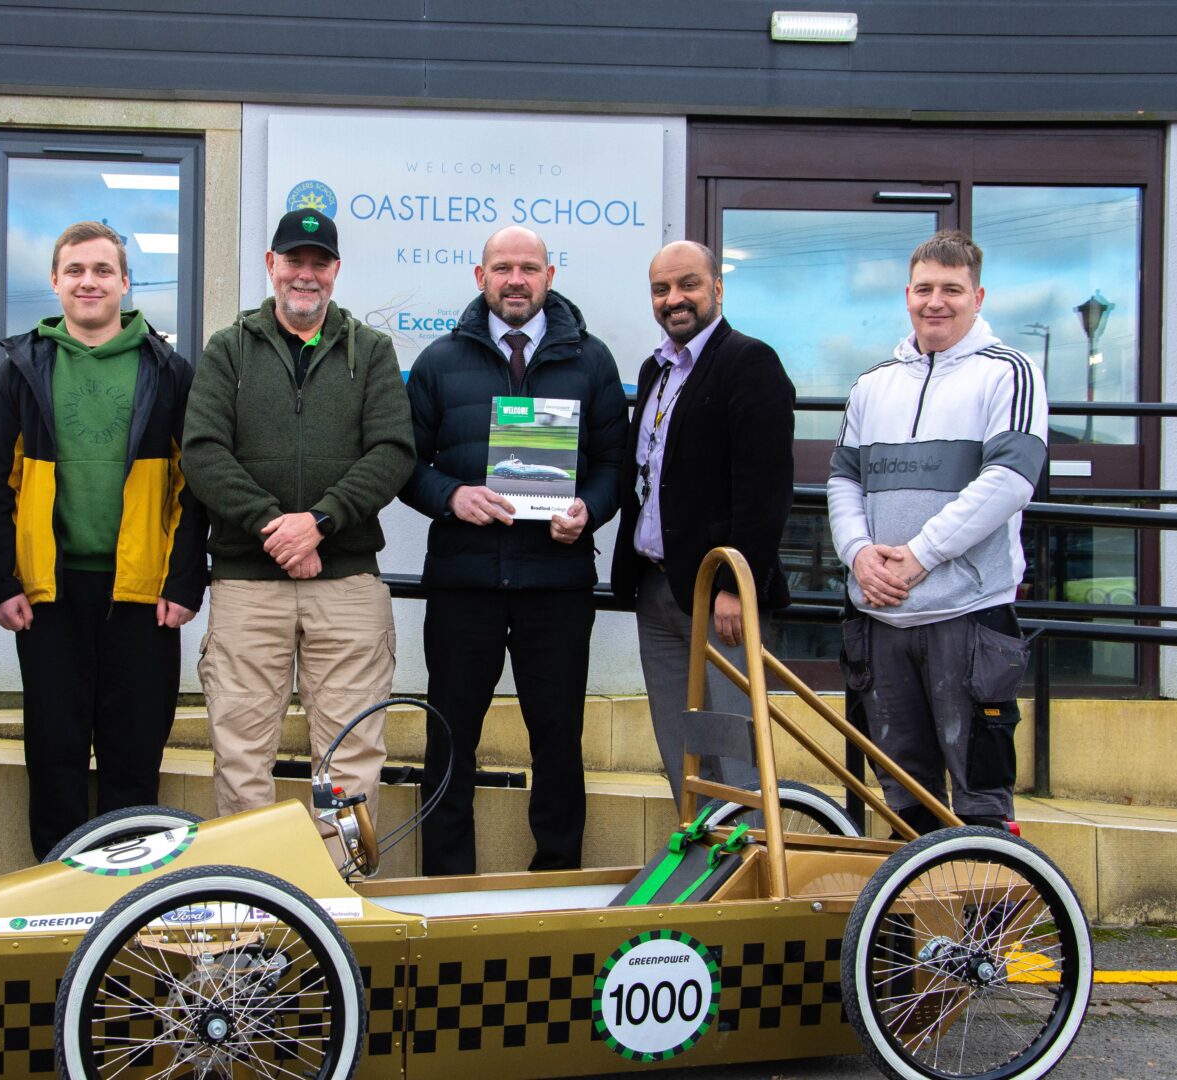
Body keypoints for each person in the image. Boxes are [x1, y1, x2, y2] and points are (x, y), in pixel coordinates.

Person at [182, 209, 413, 850]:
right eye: (294, 261)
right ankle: (248, 911)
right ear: (271, 266)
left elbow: (393, 451)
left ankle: (341, 905)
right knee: (240, 757)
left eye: (318, 262)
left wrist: (319, 523)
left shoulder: (370, 351)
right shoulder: (228, 349)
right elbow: (202, 452)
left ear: (335, 271)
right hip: (247, 587)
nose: (305, 275)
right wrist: (274, 530)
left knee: (351, 759)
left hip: (346, 586)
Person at [0, 221, 207, 860]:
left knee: (135, 760)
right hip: (47, 594)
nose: (88, 281)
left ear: (126, 283)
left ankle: (131, 910)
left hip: (142, 594)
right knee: (54, 754)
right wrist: (2, 581)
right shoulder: (22, 369)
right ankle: (58, 901)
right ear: (54, 281)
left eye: (102, 270)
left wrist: (185, 581)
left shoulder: (168, 369)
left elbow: (196, 484)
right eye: (75, 270)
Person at [402, 225, 626, 876]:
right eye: (503, 267)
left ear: (550, 277)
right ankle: (446, 888)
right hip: (463, 584)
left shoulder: (592, 361)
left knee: (558, 745)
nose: (516, 279)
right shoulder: (441, 362)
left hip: (556, 585)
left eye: (529, 267)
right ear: (480, 278)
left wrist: (590, 510)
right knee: (449, 742)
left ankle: (556, 880)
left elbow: (614, 463)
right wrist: (451, 496)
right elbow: (404, 463)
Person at [829, 230, 1048, 833]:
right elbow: (843, 480)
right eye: (925, 288)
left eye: (952, 289)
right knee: (901, 801)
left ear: (977, 296)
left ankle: (989, 928)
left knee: (981, 801)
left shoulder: (1010, 372)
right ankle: (908, 929)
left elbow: (1009, 481)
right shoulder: (872, 384)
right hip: (882, 618)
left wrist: (920, 555)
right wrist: (858, 556)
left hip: (969, 616)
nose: (936, 302)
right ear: (906, 295)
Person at [610, 241, 796, 806]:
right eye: (661, 289)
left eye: (688, 284)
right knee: (681, 746)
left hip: (719, 594)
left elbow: (765, 490)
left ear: (718, 288)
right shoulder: (655, 369)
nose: (674, 299)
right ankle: (701, 869)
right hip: (658, 588)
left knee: (733, 750)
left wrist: (735, 587)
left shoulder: (750, 362)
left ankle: (751, 876)